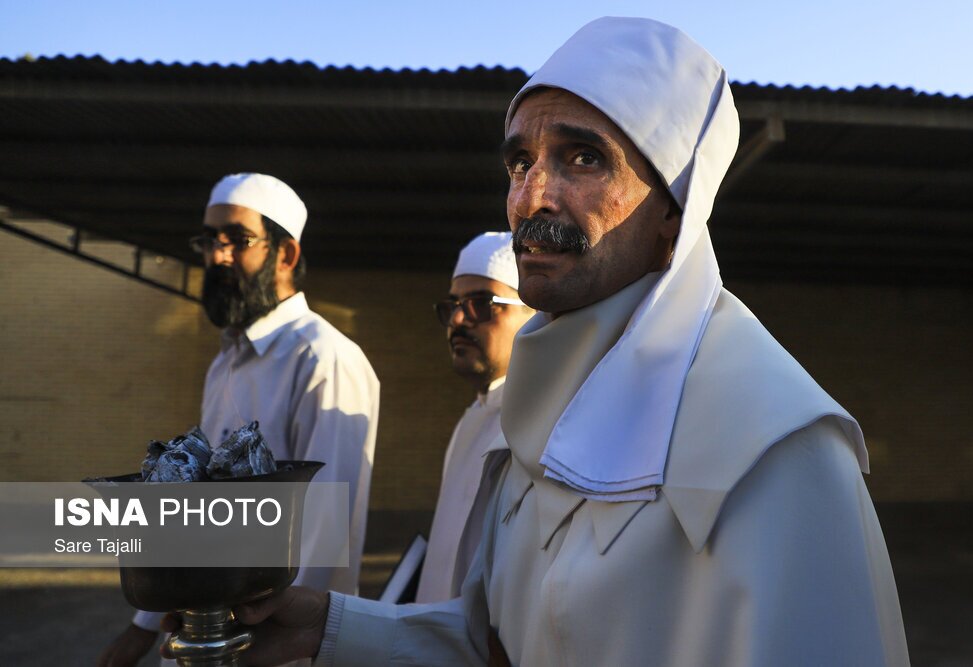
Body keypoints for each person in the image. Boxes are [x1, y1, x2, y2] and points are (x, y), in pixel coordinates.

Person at [166, 19, 910, 667]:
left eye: (582, 158)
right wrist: (325, 627)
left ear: (674, 214)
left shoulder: (778, 454)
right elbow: (496, 644)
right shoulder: (536, 412)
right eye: (520, 162)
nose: (532, 197)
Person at [99, 173, 380, 666]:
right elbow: (191, 505)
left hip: (270, 648)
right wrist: (142, 630)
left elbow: (324, 534)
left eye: (237, 240)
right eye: (210, 240)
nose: (218, 255)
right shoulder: (225, 362)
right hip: (202, 637)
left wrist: (271, 642)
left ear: (286, 254)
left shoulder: (325, 359)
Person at [417, 232, 534, 602]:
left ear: (535, 314)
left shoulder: (543, 424)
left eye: (482, 303)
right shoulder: (471, 418)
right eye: (453, 305)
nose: (458, 319)